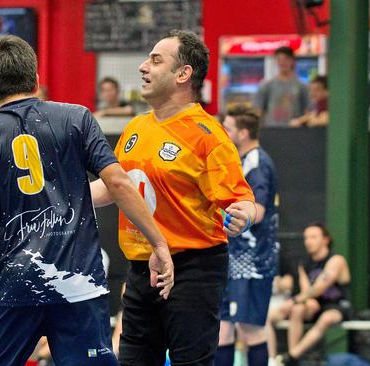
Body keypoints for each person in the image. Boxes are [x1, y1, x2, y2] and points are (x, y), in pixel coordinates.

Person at [0, 35, 174, 366]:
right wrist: (159, 244)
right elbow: (118, 183)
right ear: (37, 79)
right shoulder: (76, 118)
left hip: (15, 286)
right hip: (78, 284)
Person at [90, 29, 256, 365]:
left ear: (183, 74)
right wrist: (58, 197)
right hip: (141, 268)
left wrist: (245, 213)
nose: (142, 67)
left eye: (155, 60)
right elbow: (114, 187)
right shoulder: (136, 127)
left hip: (193, 270)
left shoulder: (208, 135)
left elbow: (241, 199)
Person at [216, 105, 279, 366]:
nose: (223, 132)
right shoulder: (238, 160)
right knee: (223, 328)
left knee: (249, 328)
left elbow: (260, 210)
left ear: (242, 133)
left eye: (228, 128)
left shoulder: (258, 162)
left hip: (253, 261)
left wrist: (237, 216)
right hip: (232, 257)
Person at [275, 223, 351, 366]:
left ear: (325, 240)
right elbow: (307, 291)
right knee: (297, 310)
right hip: (315, 305)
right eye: (306, 238)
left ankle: (292, 355)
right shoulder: (304, 263)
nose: (308, 241)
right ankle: (292, 360)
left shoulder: (336, 260)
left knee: (326, 318)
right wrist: (304, 302)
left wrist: (294, 300)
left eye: (313, 237)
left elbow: (320, 287)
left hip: (337, 306)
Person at [254, 46, 310, 126]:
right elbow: (258, 111)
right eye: (279, 59)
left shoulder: (302, 86)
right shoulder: (266, 85)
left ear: (292, 60)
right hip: (271, 130)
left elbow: (308, 111)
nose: (282, 62)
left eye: (286, 59)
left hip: (296, 131)